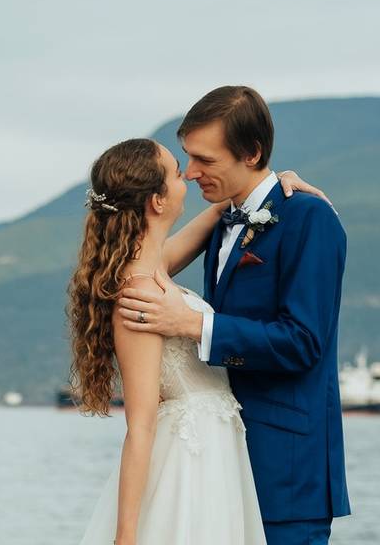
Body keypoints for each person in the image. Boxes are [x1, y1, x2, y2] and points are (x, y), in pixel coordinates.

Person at [116, 86, 350, 545]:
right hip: (216, 471)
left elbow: (304, 341)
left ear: (251, 153)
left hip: (284, 471)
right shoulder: (223, 220)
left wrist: (192, 324)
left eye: (206, 160)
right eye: (188, 157)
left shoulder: (308, 218)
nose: (191, 172)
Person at [69, 135, 329, 545]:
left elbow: (227, 208)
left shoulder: (153, 266)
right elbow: (139, 426)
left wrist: (277, 187)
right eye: (176, 172)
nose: (187, 177)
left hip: (218, 454)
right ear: (156, 200)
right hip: (187, 464)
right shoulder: (138, 294)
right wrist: (126, 534)